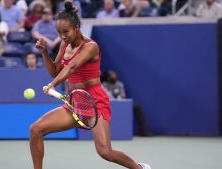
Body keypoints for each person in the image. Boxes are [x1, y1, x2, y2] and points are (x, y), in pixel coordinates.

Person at [30, 2, 151, 169]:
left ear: (77, 27)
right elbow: (55, 71)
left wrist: (52, 85)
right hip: (74, 102)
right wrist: (44, 52)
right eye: (59, 32)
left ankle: (140, 168)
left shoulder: (91, 46)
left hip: (95, 101)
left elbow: (71, 67)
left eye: (66, 32)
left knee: (105, 152)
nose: (62, 36)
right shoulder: (64, 45)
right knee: (36, 129)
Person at [101, 70, 153, 137]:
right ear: (108, 77)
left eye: (115, 74)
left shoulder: (119, 84)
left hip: (121, 104)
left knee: (137, 106)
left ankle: (144, 131)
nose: (114, 76)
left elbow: (123, 96)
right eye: (112, 74)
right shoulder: (104, 85)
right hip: (108, 104)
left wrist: (119, 99)